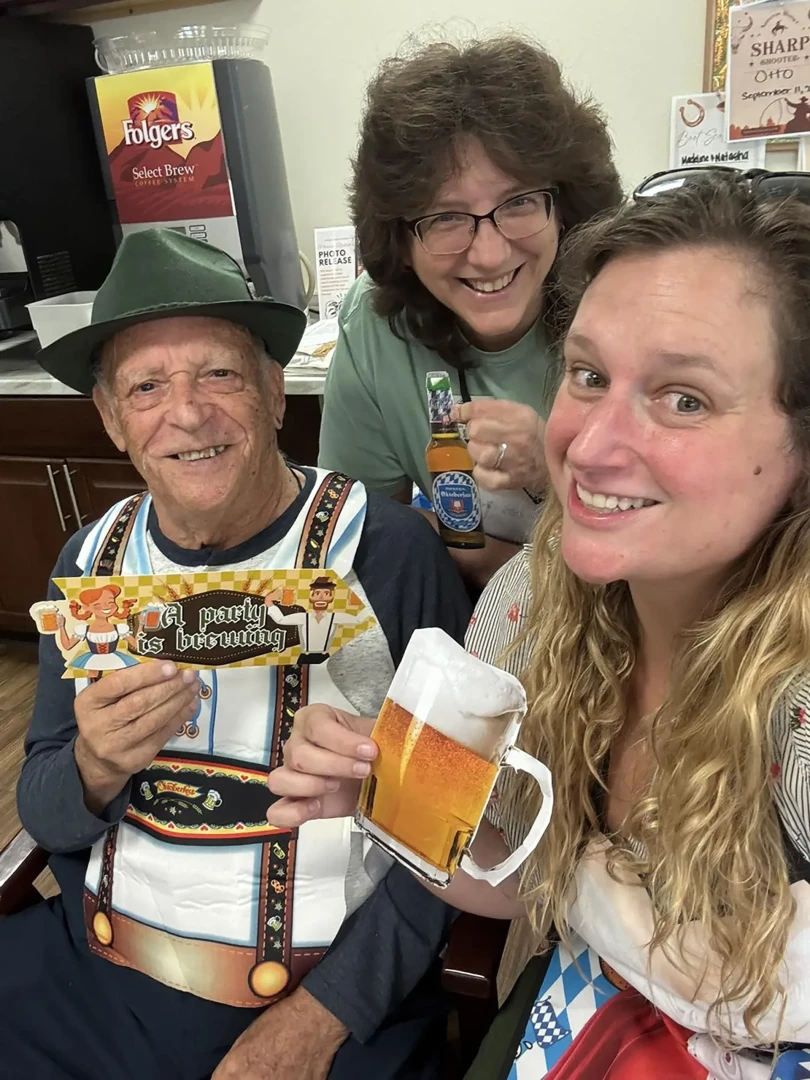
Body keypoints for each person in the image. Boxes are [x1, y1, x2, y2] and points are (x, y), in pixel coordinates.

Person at [268, 172, 810, 1076]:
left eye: (684, 398)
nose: (588, 447)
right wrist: (379, 800)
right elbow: (522, 881)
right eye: (589, 376)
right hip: (595, 1015)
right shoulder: (525, 605)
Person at [3, 227, 472, 1080]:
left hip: (320, 997)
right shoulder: (90, 567)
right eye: (147, 386)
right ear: (111, 419)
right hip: (94, 977)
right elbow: (45, 807)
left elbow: (451, 828)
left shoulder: (387, 553)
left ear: (274, 393)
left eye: (218, 374)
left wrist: (322, 1020)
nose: (187, 413)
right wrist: (92, 768)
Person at [318, 35, 623, 589]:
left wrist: (553, 470)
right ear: (400, 240)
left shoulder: (622, 303)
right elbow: (361, 531)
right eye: (445, 218)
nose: (489, 254)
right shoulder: (375, 326)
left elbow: (673, 547)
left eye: (520, 202)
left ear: (566, 207)